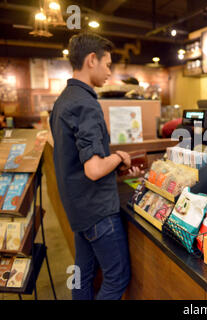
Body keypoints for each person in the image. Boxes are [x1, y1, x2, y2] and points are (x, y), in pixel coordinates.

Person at [50, 32, 139, 300]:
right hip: (98, 210)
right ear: (92, 60)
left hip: (78, 209)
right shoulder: (86, 103)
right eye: (108, 64)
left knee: (83, 275)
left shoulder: (64, 99)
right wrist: (119, 157)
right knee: (117, 277)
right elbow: (94, 169)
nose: (110, 72)